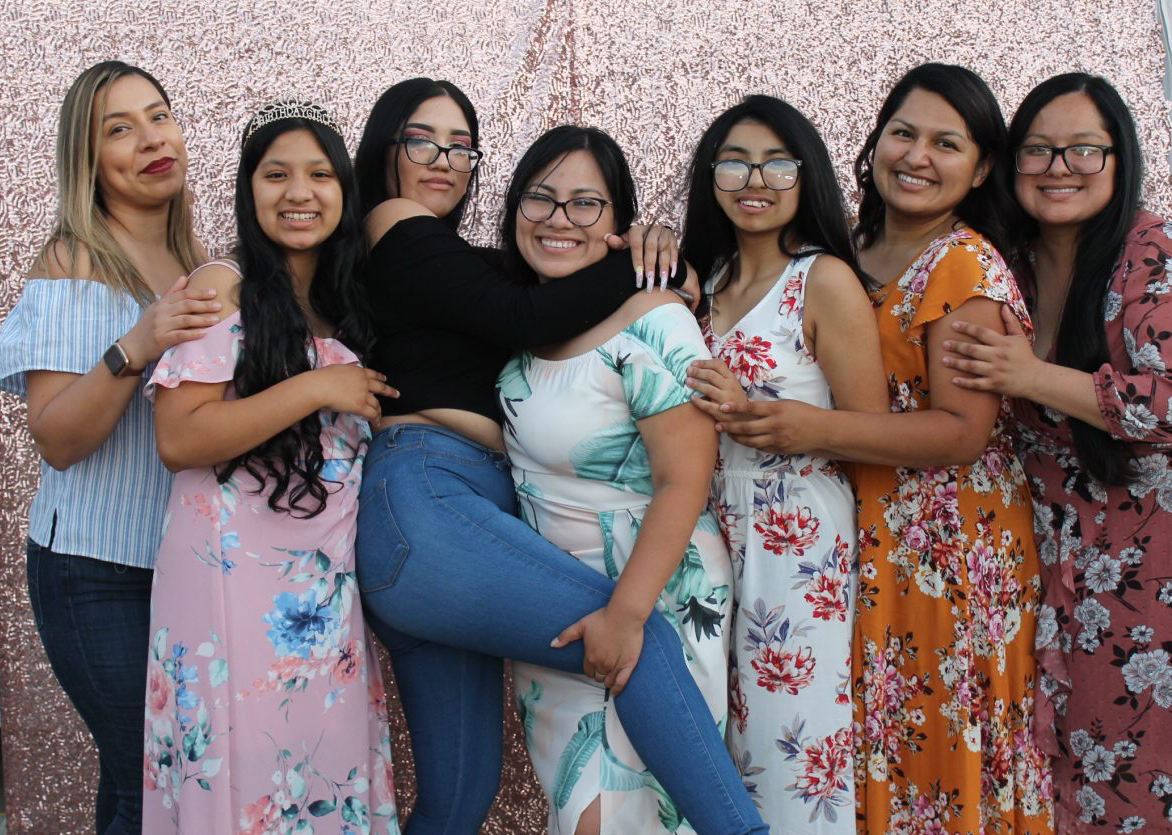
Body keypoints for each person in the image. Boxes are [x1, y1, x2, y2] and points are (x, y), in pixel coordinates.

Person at [353, 78, 768, 834]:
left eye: (460, 146)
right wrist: (644, 258)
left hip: (453, 536)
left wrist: (663, 276)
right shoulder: (396, 222)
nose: (443, 159)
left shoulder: (464, 271)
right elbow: (525, 311)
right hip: (429, 505)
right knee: (632, 639)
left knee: (458, 798)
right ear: (385, 149)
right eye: (421, 140)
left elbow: (533, 300)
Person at [697, 64, 1054, 833]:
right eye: (903, 133)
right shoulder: (848, 248)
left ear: (981, 168)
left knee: (936, 760)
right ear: (874, 141)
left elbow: (962, 432)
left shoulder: (963, 266)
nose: (917, 156)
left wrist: (812, 429)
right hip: (867, 533)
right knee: (864, 750)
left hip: (950, 546)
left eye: (946, 143)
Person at [140, 101, 400, 835]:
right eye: (276, 174)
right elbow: (179, 438)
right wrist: (315, 387)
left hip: (323, 601)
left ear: (344, 191)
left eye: (320, 175)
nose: (299, 192)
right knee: (239, 785)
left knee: (320, 784)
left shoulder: (348, 306)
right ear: (248, 191)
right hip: (229, 590)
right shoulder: (222, 285)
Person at [943, 73, 1172, 833]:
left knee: (1128, 783)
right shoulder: (1001, 259)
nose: (1059, 167)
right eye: (1038, 150)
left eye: (1083, 150)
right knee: (1040, 778)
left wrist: (1032, 377)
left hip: (1142, 570)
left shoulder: (1148, 253)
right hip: (1029, 559)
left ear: (1119, 158)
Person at [495, 124, 733, 834]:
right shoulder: (514, 320)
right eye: (540, 198)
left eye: (584, 203)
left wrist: (627, 617)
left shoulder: (654, 315)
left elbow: (686, 478)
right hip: (555, 606)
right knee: (578, 813)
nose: (559, 219)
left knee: (642, 816)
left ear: (621, 224)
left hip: (651, 595)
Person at [0, 60, 213, 835]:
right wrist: (137, 343)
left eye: (159, 116)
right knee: (147, 783)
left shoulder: (198, 265)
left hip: (181, 566)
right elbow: (58, 438)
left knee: (157, 782)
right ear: (88, 160)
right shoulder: (75, 261)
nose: (151, 139)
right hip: (93, 570)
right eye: (120, 129)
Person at [681, 95, 889, 831]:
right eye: (734, 162)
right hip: (702, 526)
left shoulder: (822, 279)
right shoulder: (700, 282)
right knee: (708, 741)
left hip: (795, 532)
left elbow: (873, 432)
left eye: (777, 163)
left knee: (789, 744)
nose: (755, 180)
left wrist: (787, 424)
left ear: (807, 177)